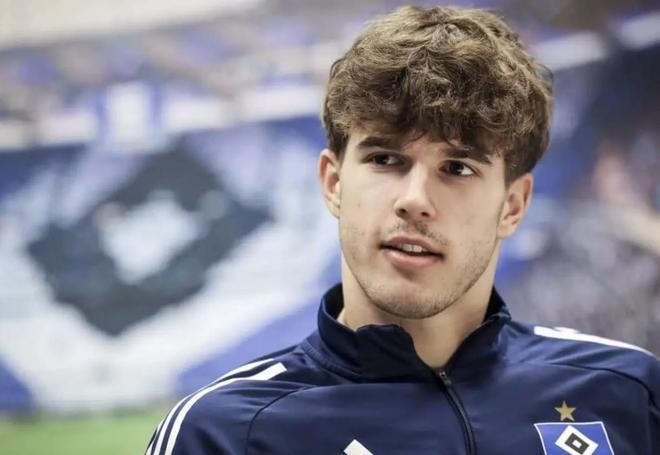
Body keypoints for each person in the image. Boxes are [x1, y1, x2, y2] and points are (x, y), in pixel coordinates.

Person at [146, 5, 659, 454]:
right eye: (385, 159)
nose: (414, 200)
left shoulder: (631, 394)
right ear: (333, 183)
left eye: (458, 167)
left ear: (512, 205)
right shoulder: (223, 433)